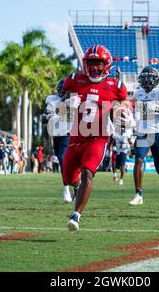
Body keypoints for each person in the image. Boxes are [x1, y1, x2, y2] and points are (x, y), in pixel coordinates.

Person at [62, 44, 128, 231]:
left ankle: (76, 215)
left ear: (106, 64)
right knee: (68, 178)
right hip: (76, 138)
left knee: (87, 174)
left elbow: (121, 104)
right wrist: (66, 103)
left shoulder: (115, 86)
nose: (94, 66)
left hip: (98, 138)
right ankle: (77, 190)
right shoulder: (74, 80)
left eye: (98, 62)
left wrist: (122, 112)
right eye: (91, 62)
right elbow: (59, 103)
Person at [129, 66, 159, 206]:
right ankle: (138, 194)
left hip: (157, 134)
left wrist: (156, 109)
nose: (146, 81)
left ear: (155, 80)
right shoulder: (138, 93)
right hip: (142, 133)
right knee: (138, 160)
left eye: (148, 78)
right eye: (144, 78)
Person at [44, 78, 73, 203]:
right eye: (61, 89)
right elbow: (43, 118)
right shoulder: (52, 100)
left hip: (69, 134)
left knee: (62, 158)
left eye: (65, 89)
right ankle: (76, 186)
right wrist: (48, 115)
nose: (63, 91)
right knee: (62, 162)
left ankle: (66, 189)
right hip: (56, 135)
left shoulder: (74, 100)